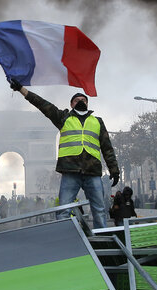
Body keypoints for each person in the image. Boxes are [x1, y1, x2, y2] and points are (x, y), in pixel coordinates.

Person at [9, 80, 119, 229]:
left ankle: (103, 241)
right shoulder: (63, 117)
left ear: (87, 104)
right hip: (70, 171)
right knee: (63, 211)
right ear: (71, 104)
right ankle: (65, 238)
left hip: (92, 171)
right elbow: (42, 104)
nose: (80, 101)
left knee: (99, 210)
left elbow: (107, 148)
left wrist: (114, 169)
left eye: (83, 100)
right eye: (76, 100)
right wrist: (22, 89)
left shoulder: (98, 122)